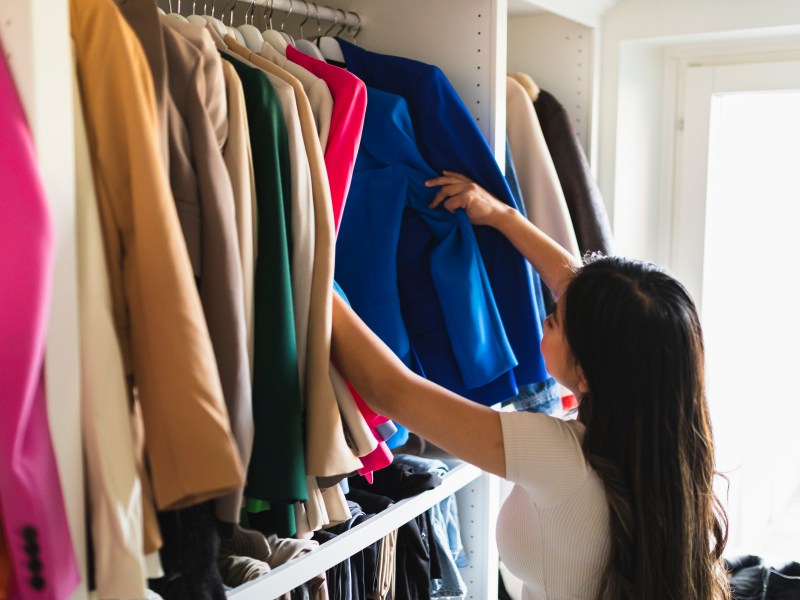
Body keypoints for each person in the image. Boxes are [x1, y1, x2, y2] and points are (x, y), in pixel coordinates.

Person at [330, 171, 731, 600]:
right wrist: (502, 216)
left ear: (589, 373)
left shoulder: (560, 456)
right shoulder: (670, 457)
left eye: (555, 320)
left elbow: (391, 390)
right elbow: (584, 298)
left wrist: (305, 267)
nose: (545, 316)